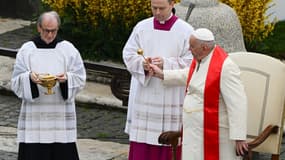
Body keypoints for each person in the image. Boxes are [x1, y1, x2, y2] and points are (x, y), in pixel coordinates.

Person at [149, 28, 248, 160]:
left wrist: (239, 137)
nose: (189, 49)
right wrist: (162, 74)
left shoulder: (225, 67)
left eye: (192, 46)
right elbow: (189, 74)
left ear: (205, 47)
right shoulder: (201, 58)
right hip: (194, 130)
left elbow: (238, 103)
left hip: (215, 134)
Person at [122, 0, 194, 159]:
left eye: (161, 8)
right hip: (145, 92)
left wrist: (165, 63)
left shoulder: (186, 30)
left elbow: (192, 63)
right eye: (154, 8)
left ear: (172, 4)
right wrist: (143, 65)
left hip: (171, 94)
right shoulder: (141, 27)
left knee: (166, 142)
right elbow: (128, 54)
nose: (157, 12)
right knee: (142, 141)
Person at [11, 11, 86, 160]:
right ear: (39, 28)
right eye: (46, 30)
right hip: (35, 115)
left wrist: (67, 79)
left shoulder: (68, 49)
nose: (50, 35)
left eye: (54, 31)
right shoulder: (27, 50)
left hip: (60, 116)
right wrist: (29, 78)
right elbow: (16, 80)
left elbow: (80, 77)